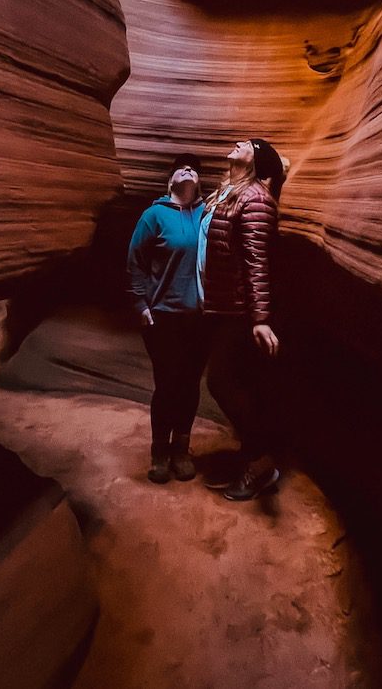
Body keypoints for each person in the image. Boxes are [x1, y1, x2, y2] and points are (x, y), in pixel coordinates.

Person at [200, 137, 286, 501]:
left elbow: (256, 261)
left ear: (256, 161)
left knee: (220, 382)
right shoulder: (227, 192)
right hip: (218, 305)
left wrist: (260, 318)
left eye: (248, 144)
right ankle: (252, 455)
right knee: (235, 382)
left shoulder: (255, 200)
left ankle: (261, 463)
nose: (238, 142)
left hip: (239, 310)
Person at [127, 153, 209, 483]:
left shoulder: (207, 213)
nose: (188, 170)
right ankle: (160, 451)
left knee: (190, 385)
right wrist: (140, 304)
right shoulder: (154, 215)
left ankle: (181, 449)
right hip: (163, 316)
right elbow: (135, 261)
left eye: (193, 169)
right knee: (167, 385)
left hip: (199, 317)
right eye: (181, 168)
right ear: (170, 180)